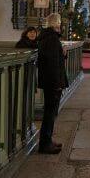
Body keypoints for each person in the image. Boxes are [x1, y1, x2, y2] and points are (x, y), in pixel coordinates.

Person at [36, 13, 67, 154]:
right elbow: (53, 64)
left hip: (49, 80)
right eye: (59, 23)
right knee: (50, 113)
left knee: (50, 113)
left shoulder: (47, 38)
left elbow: (53, 58)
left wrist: (63, 54)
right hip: (53, 82)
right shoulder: (52, 39)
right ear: (56, 24)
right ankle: (45, 144)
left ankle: (48, 140)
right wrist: (58, 84)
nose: (60, 26)